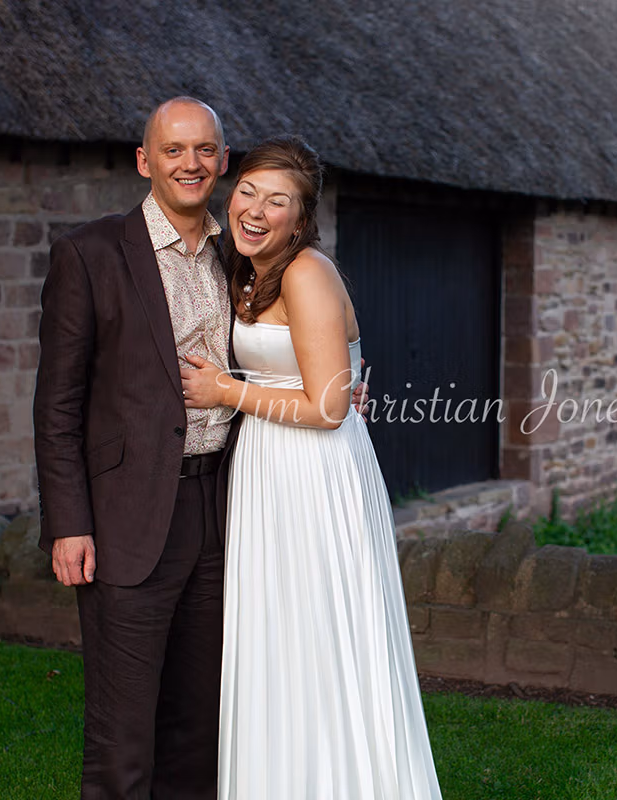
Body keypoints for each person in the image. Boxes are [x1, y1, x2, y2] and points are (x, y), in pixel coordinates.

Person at [33, 98, 365, 798]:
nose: (191, 163)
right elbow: (58, 404)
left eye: (206, 150)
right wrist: (68, 523)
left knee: (201, 729)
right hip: (127, 518)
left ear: (222, 161)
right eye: (174, 149)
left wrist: (346, 384)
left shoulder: (241, 254)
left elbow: (305, 344)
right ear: (144, 161)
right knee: (123, 735)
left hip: (230, 512)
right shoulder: (91, 255)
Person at [180, 136, 443, 798]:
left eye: (278, 201)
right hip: (267, 469)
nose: (255, 210)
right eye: (247, 191)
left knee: (320, 638)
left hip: (313, 475)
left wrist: (225, 390)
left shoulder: (305, 272)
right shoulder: (246, 268)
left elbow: (327, 409)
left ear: (301, 218)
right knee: (278, 641)